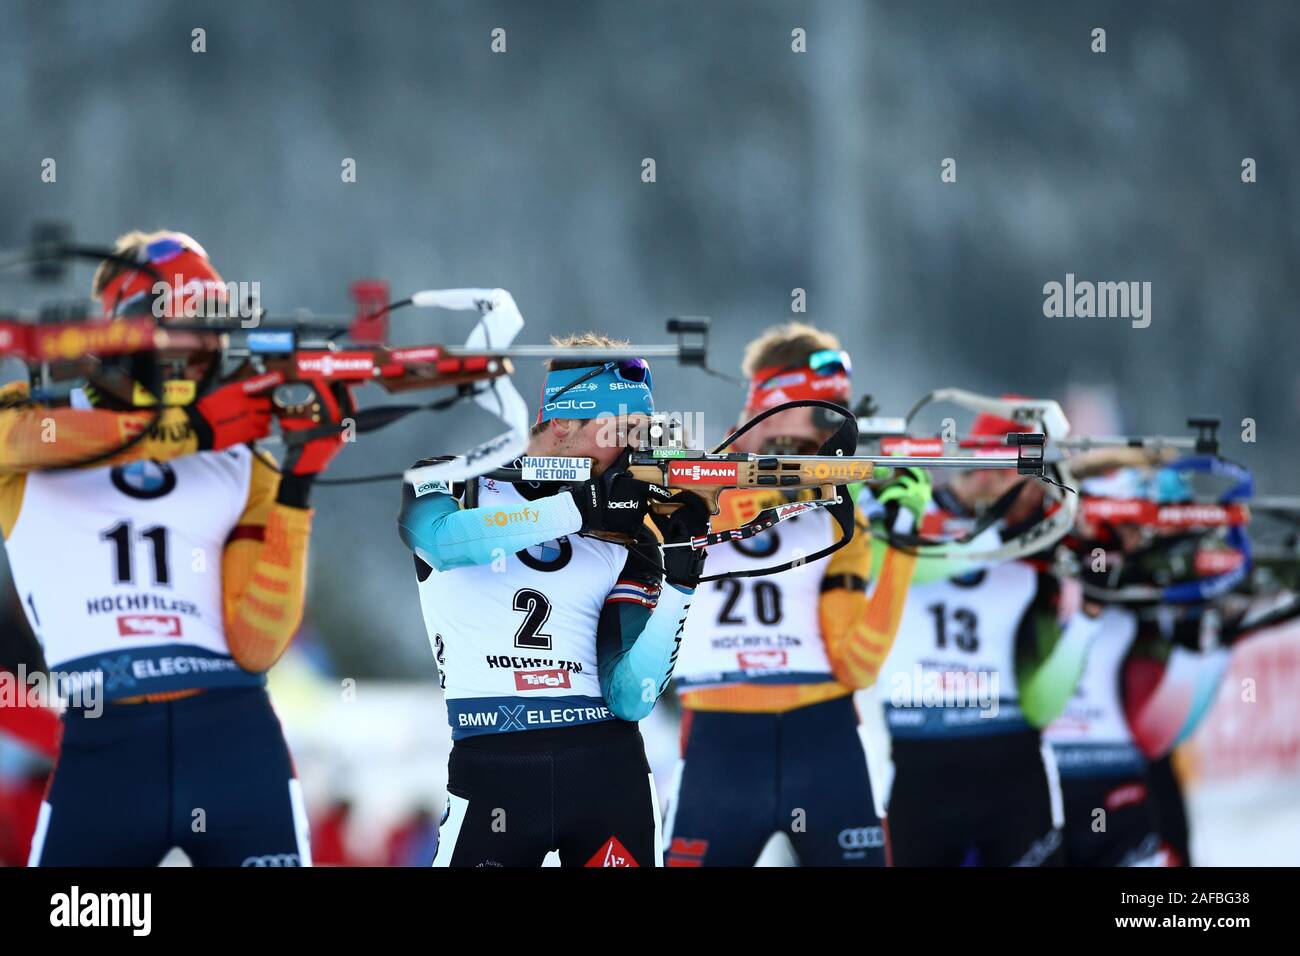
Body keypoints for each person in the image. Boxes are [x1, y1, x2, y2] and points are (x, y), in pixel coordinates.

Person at [6, 230, 348, 866]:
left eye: (210, 332)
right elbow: (22, 439)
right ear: (120, 334)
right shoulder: (35, 423)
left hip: (233, 736)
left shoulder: (241, 459)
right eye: (179, 329)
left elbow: (257, 643)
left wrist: (297, 485)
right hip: (105, 741)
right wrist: (181, 430)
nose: (200, 351)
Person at [398, 334, 711, 867]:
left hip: (607, 769)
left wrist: (681, 583)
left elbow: (631, 697)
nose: (632, 452)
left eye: (641, 434)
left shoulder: (627, 530)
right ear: (564, 422)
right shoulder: (453, 479)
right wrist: (575, 508)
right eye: (621, 432)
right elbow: (440, 541)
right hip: (493, 763)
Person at [663, 323, 929, 866]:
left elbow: (857, 666)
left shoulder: (838, 508)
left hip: (824, 738)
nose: (838, 431)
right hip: (719, 741)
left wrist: (902, 545)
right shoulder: (685, 482)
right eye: (828, 411)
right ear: (778, 401)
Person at [879, 407, 1096, 866]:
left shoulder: (1039, 546)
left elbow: (1042, 706)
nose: (1039, 497)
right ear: (992, 474)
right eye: (1032, 480)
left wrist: (1087, 623)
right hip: (919, 763)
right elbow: (898, 565)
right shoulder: (906, 509)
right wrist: (996, 534)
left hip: (1011, 763)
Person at [1046, 459, 1254, 866]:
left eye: (1147, 530)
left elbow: (1163, 728)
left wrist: (1208, 643)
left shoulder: (1158, 587)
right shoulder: (1044, 567)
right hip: (1042, 779)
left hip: (1127, 776)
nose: (1140, 540)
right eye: (1130, 527)